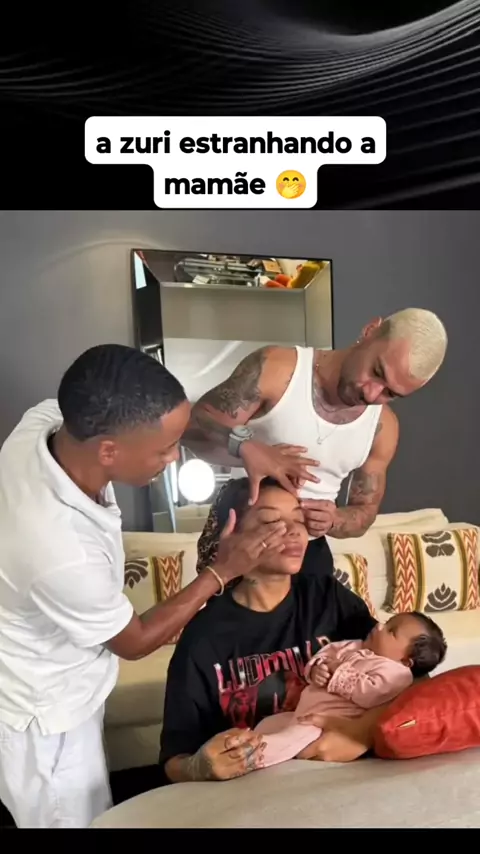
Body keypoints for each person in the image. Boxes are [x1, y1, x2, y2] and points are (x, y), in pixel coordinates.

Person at [0, 344, 290, 829]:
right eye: (164, 448)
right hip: (44, 717)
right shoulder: (57, 547)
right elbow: (133, 642)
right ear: (108, 450)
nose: (174, 457)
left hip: (63, 678)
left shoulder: (47, 423)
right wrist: (222, 570)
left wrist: (243, 446)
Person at [160, 476, 383, 784]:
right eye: (270, 521)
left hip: (342, 777)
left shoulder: (327, 598)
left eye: (299, 519)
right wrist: (200, 767)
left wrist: (362, 730)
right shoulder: (204, 637)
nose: (294, 531)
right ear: (232, 535)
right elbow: (175, 760)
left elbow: (407, 674)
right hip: (258, 788)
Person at [184, 308, 448, 548]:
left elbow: (365, 512)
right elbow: (194, 422)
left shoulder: (383, 427)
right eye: (377, 372)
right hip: (240, 538)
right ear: (369, 331)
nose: (371, 394)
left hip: (306, 553)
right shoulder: (278, 368)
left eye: (390, 393)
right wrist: (245, 446)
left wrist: (334, 520)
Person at [254, 612, 447, 769]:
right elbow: (325, 654)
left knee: (295, 736)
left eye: (391, 631)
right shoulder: (352, 646)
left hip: (330, 723)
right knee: (268, 723)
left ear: (406, 660)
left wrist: (339, 672)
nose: (379, 626)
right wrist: (315, 669)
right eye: (386, 622)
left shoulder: (396, 673)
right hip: (301, 713)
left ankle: (256, 755)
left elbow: (371, 694)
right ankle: (251, 737)